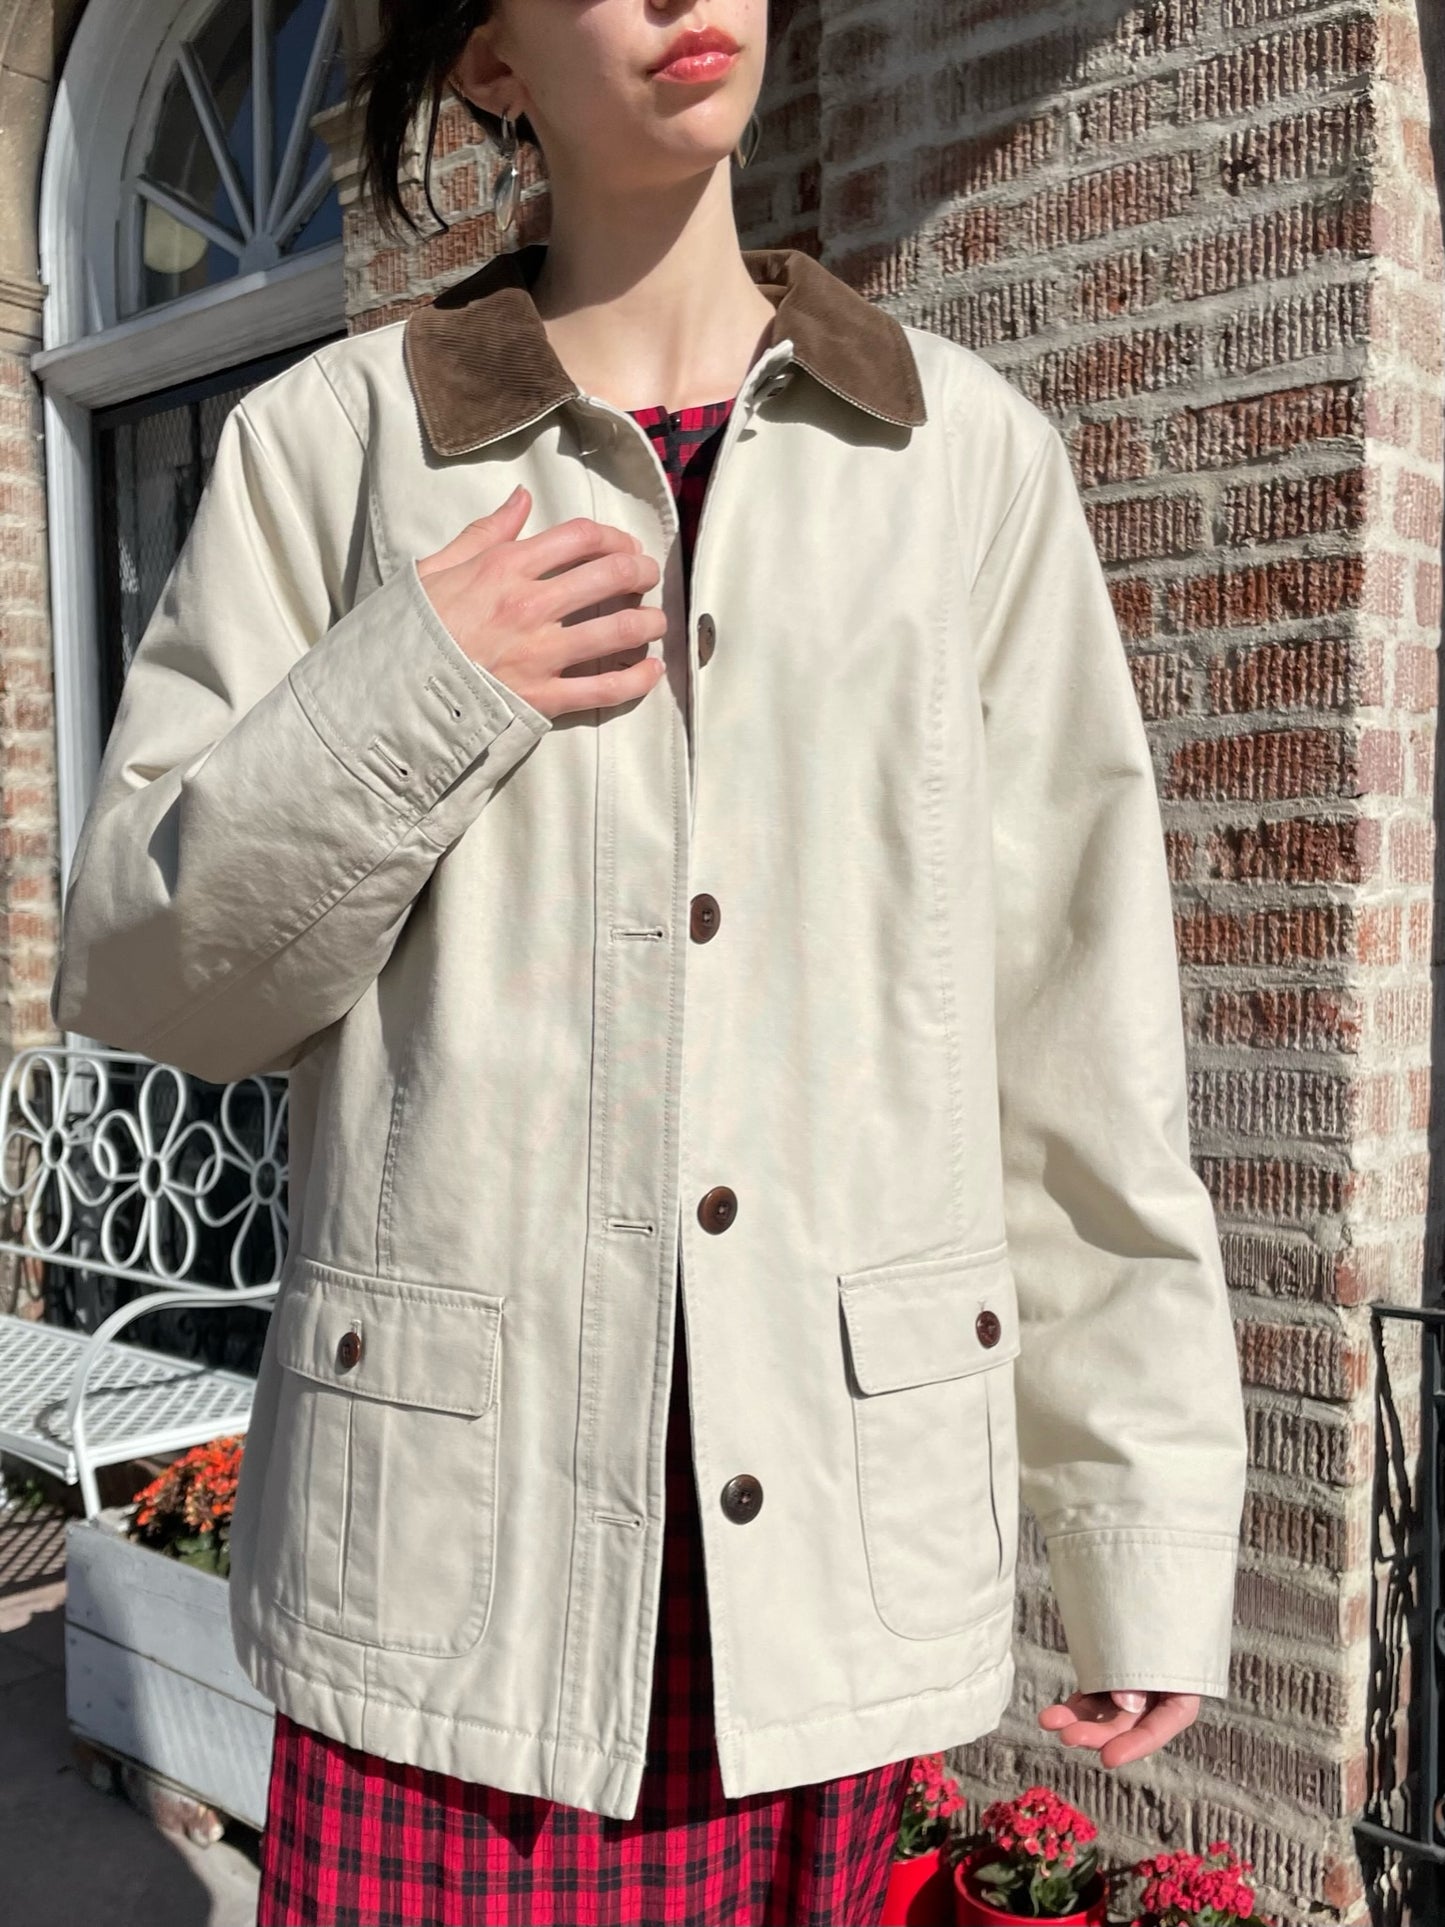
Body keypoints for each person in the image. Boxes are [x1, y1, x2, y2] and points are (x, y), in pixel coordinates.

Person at [49, 2, 1250, 1923]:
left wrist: (1137, 1521)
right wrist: (418, 690)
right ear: (492, 62)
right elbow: (151, 979)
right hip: (454, 1576)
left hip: (822, 1554)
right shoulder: (336, 445)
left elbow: (1076, 1029)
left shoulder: (959, 462)